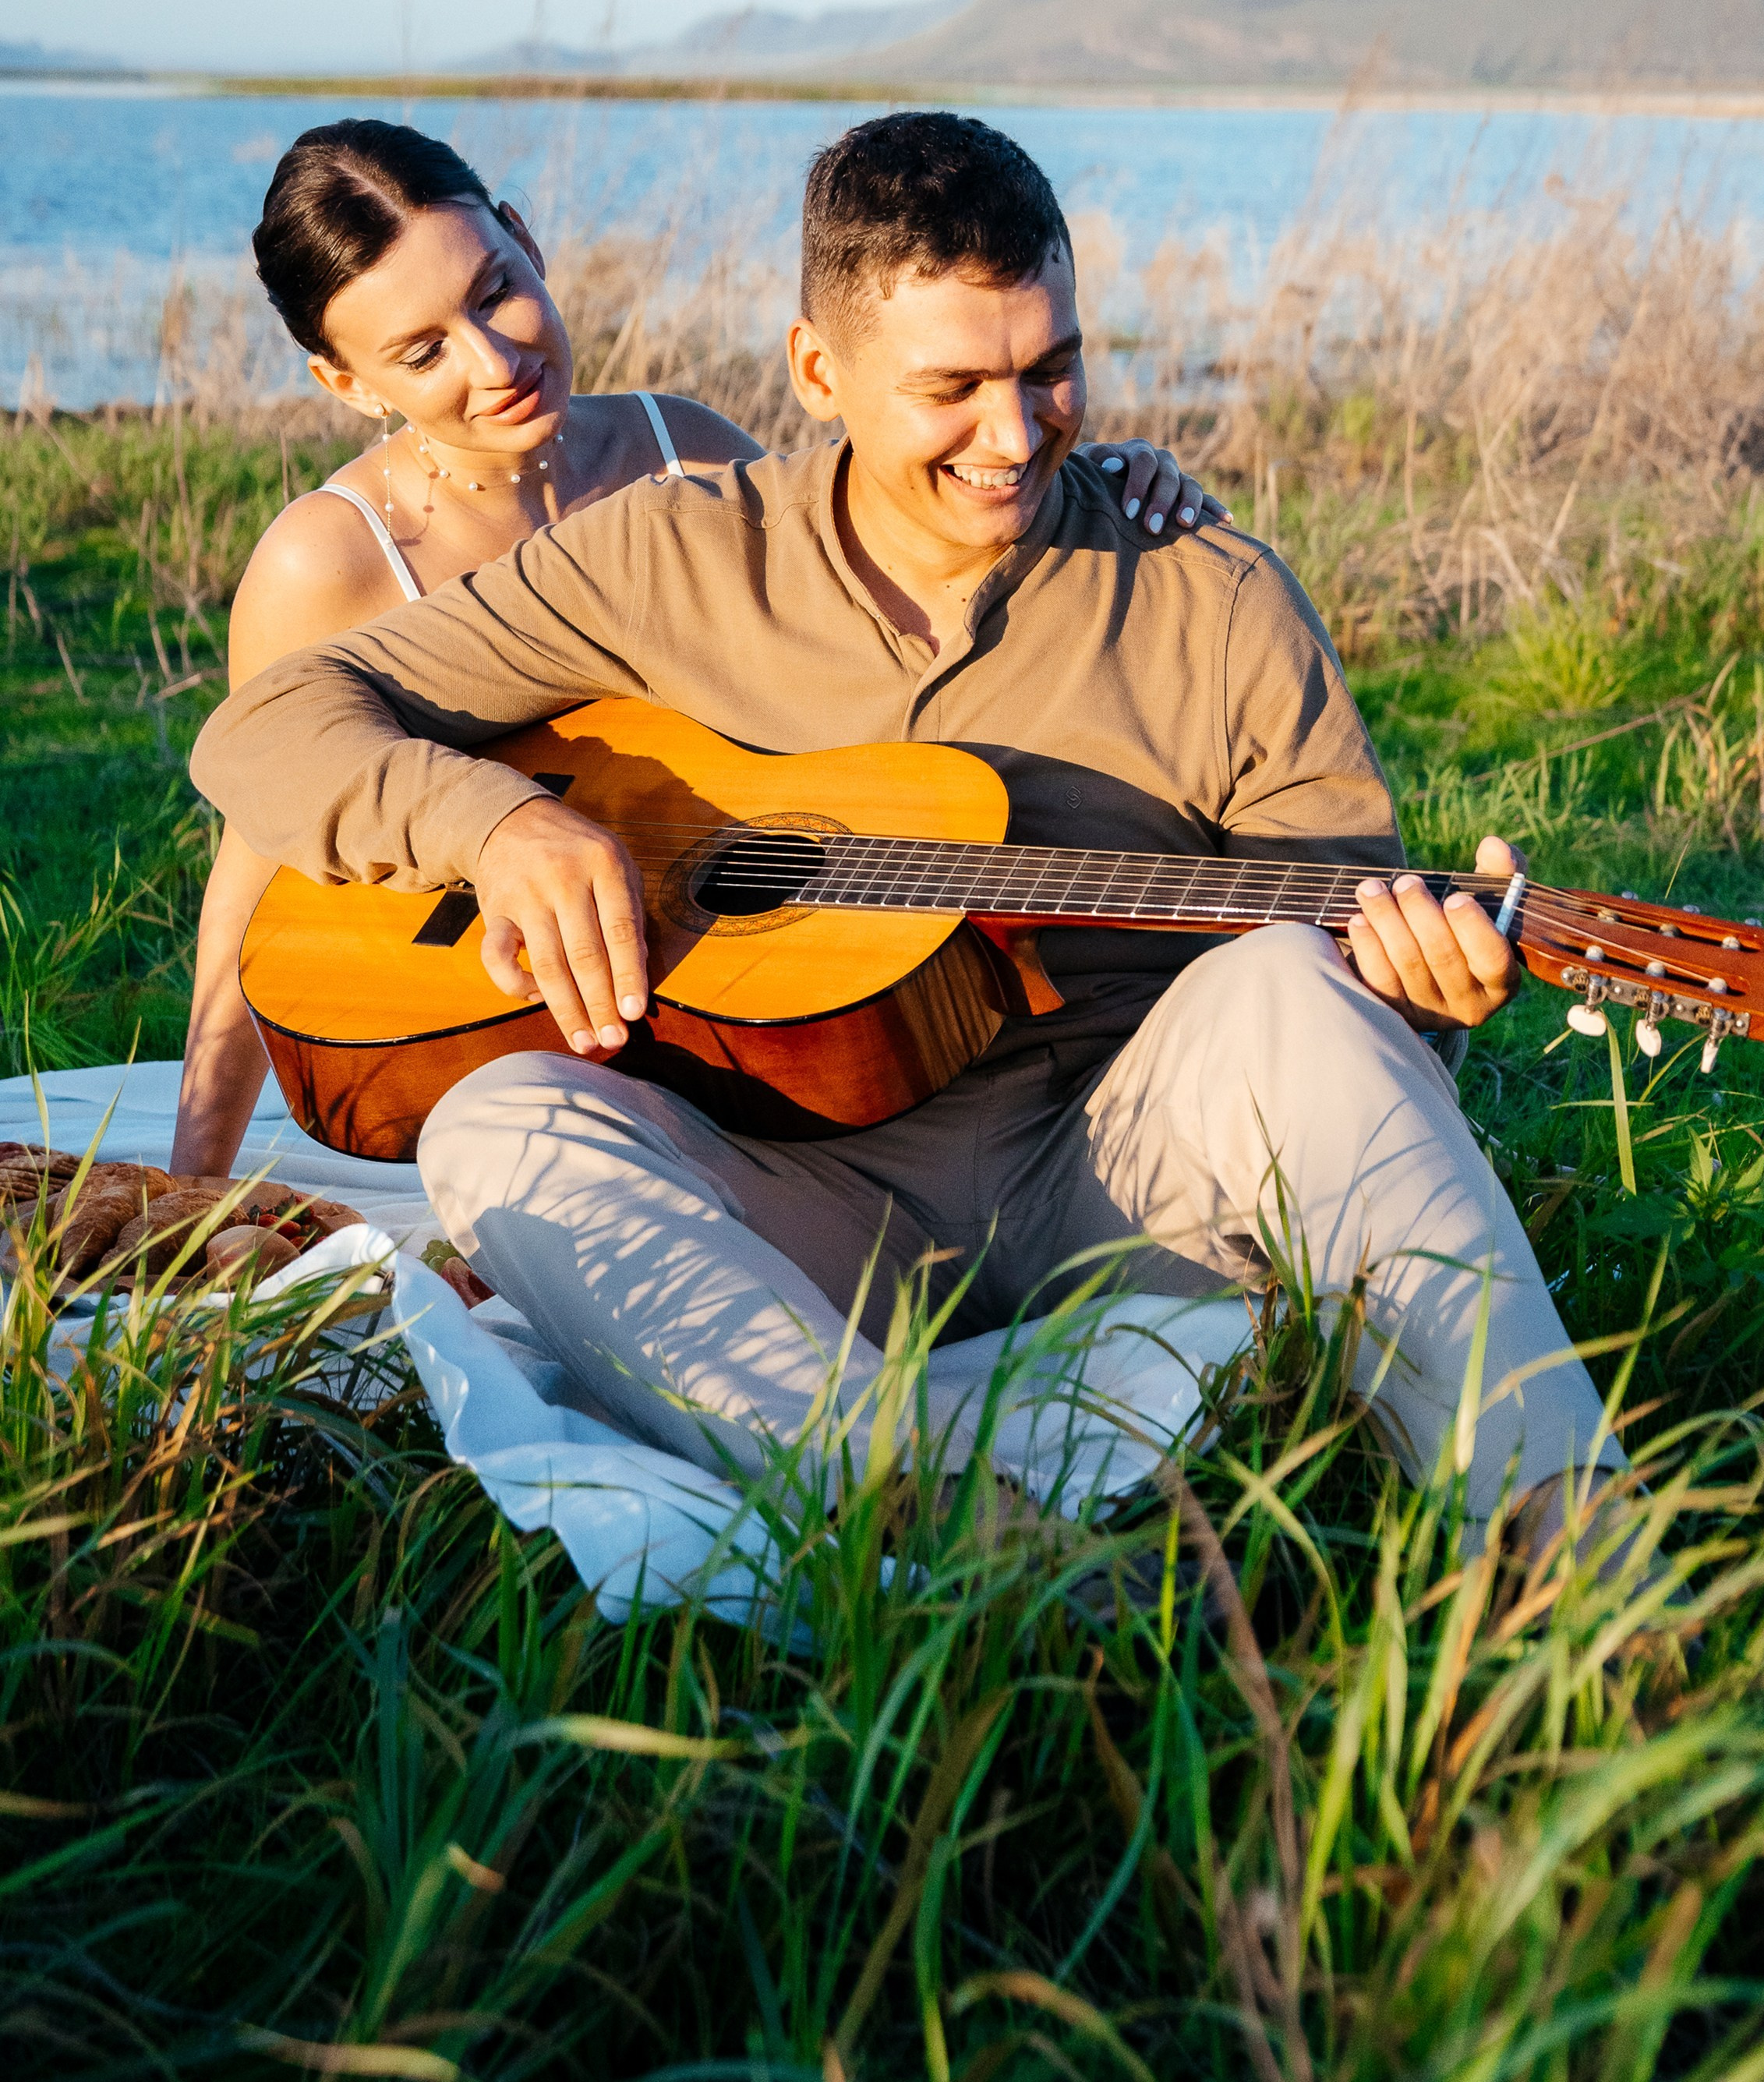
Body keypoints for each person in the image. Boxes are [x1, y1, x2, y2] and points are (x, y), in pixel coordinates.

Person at [191, 113, 1626, 1554]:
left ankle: (1572, 1547)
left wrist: (1423, 994)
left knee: (1287, 980)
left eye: (1051, 369)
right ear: (820, 370)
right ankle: (936, 1519)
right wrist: (492, 824)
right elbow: (263, 729)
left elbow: (1342, 1001)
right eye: (954, 387)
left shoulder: (1214, 589)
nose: (1016, 436)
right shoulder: (667, 556)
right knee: (500, 1124)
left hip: (1121, 1183)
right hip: (803, 1206)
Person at [173, 116, 1215, 1178]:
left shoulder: (689, 453)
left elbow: (872, 582)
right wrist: (190, 1186)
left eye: (493, 292)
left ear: (526, 239)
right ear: (346, 385)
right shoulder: (327, 560)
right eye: (422, 352)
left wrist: (1073, 484)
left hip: (711, 1026)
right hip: (473, 1036)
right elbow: (255, 861)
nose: (496, 359)